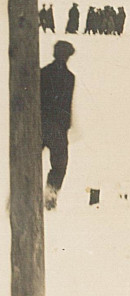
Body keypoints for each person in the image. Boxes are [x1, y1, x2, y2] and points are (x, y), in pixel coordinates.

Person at [41, 41, 77, 210]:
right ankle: (51, 193)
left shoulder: (42, 73)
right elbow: (66, 105)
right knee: (60, 165)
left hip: (39, 126)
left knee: (29, 161)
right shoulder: (69, 78)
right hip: (57, 129)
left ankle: (18, 195)